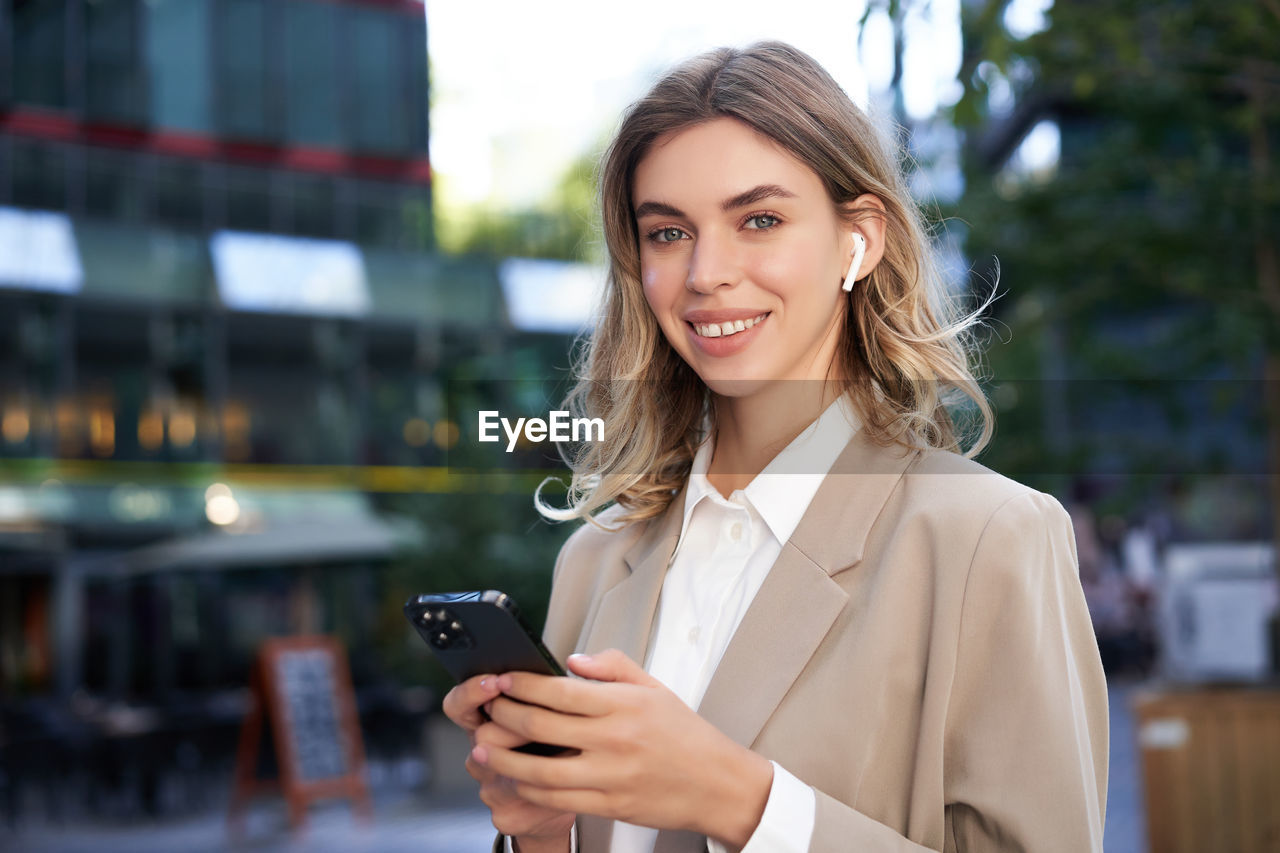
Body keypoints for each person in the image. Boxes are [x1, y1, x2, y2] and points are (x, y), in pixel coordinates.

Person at [443, 41, 1108, 853]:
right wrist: (544, 832)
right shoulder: (594, 559)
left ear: (859, 241)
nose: (706, 272)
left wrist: (740, 799)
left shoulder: (986, 538)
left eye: (759, 219)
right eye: (668, 232)